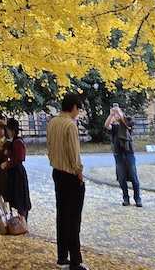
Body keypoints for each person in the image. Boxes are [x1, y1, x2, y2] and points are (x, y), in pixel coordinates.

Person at [47, 94, 88, 270]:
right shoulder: (70, 125)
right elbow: (74, 154)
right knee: (73, 219)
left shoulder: (52, 123)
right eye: (78, 109)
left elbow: (49, 147)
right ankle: (76, 261)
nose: (78, 113)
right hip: (70, 176)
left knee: (62, 216)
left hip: (57, 172)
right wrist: (80, 174)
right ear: (73, 107)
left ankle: (62, 257)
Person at [105, 104, 141, 206]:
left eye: (118, 114)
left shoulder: (127, 123)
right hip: (118, 153)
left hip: (128, 152)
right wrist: (111, 115)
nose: (117, 115)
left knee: (134, 177)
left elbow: (127, 124)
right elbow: (107, 125)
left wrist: (119, 112)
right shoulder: (115, 127)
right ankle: (126, 198)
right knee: (122, 178)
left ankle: (137, 198)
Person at [0, 118, 31, 219]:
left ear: (12, 131)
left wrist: (7, 163)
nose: (7, 132)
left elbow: (20, 158)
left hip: (17, 172)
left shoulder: (18, 142)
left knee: (19, 195)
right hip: (13, 172)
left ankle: (22, 219)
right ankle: (14, 219)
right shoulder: (13, 141)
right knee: (13, 195)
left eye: (8, 130)